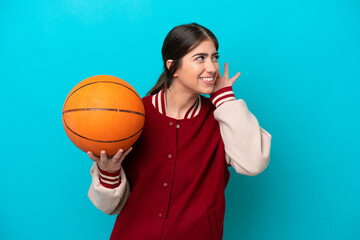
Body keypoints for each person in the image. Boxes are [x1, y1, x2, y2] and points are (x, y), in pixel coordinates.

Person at [87, 23, 272, 240]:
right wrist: (109, 171)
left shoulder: (223, 117)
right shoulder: (134, 115)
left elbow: (254, 163)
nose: (212, 68)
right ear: (173, 67)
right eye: (200, 58)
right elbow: (109, 206)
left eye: (214, 57)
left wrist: (224, 99)